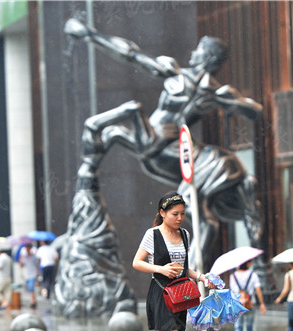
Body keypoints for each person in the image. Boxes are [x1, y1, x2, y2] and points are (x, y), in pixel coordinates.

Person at [65, 17, 264, 266]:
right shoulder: (176, 73)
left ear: (209, 58)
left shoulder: (213, 91)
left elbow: (255, 111)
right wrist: (90, 35)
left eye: (199, 50)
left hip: (166, 143)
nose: (193, 53)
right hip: (157, 140)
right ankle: (89, 174)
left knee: (189, 203)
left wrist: (234, 101)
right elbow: (131, 54)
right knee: (112, 134)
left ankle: (193, 265)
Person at [132, 192, 212, 331]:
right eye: (174, 214)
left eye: (182, 214)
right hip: (160, 296)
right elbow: (136, 262)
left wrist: (202, 278)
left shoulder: (184, 235)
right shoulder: (152, 234)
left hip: (180, 297)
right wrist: (160, 269)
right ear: (162, 213)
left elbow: (184, 268)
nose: (179, 218)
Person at [230, 261, 266, 331]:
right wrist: (262, 303)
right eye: (250, 262)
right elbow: (258, 289)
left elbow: (232, 292)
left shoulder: (233, 276)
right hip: (250, 303)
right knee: (249, 327)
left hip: (238, 305)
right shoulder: (253, 275)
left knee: (238, 328)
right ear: (248, 264)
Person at [19, 243, 39, 308]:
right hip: (27, 274)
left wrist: (38, 273)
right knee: (30, 288)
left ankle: (32, 301)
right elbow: (21, 265)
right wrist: (21, 257)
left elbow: (36, 265)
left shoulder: (33, 256)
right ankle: (34, 300)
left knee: (31, 287)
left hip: (33, 273)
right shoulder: (24, 257)